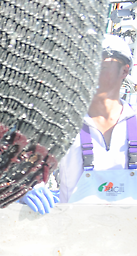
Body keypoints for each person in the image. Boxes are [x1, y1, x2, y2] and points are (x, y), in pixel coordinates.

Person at [23, 34, 137, 213]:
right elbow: (25, 169)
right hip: (74, 236)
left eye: (102, 66)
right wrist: (26, 186)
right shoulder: (63, 125)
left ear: (124, 71)